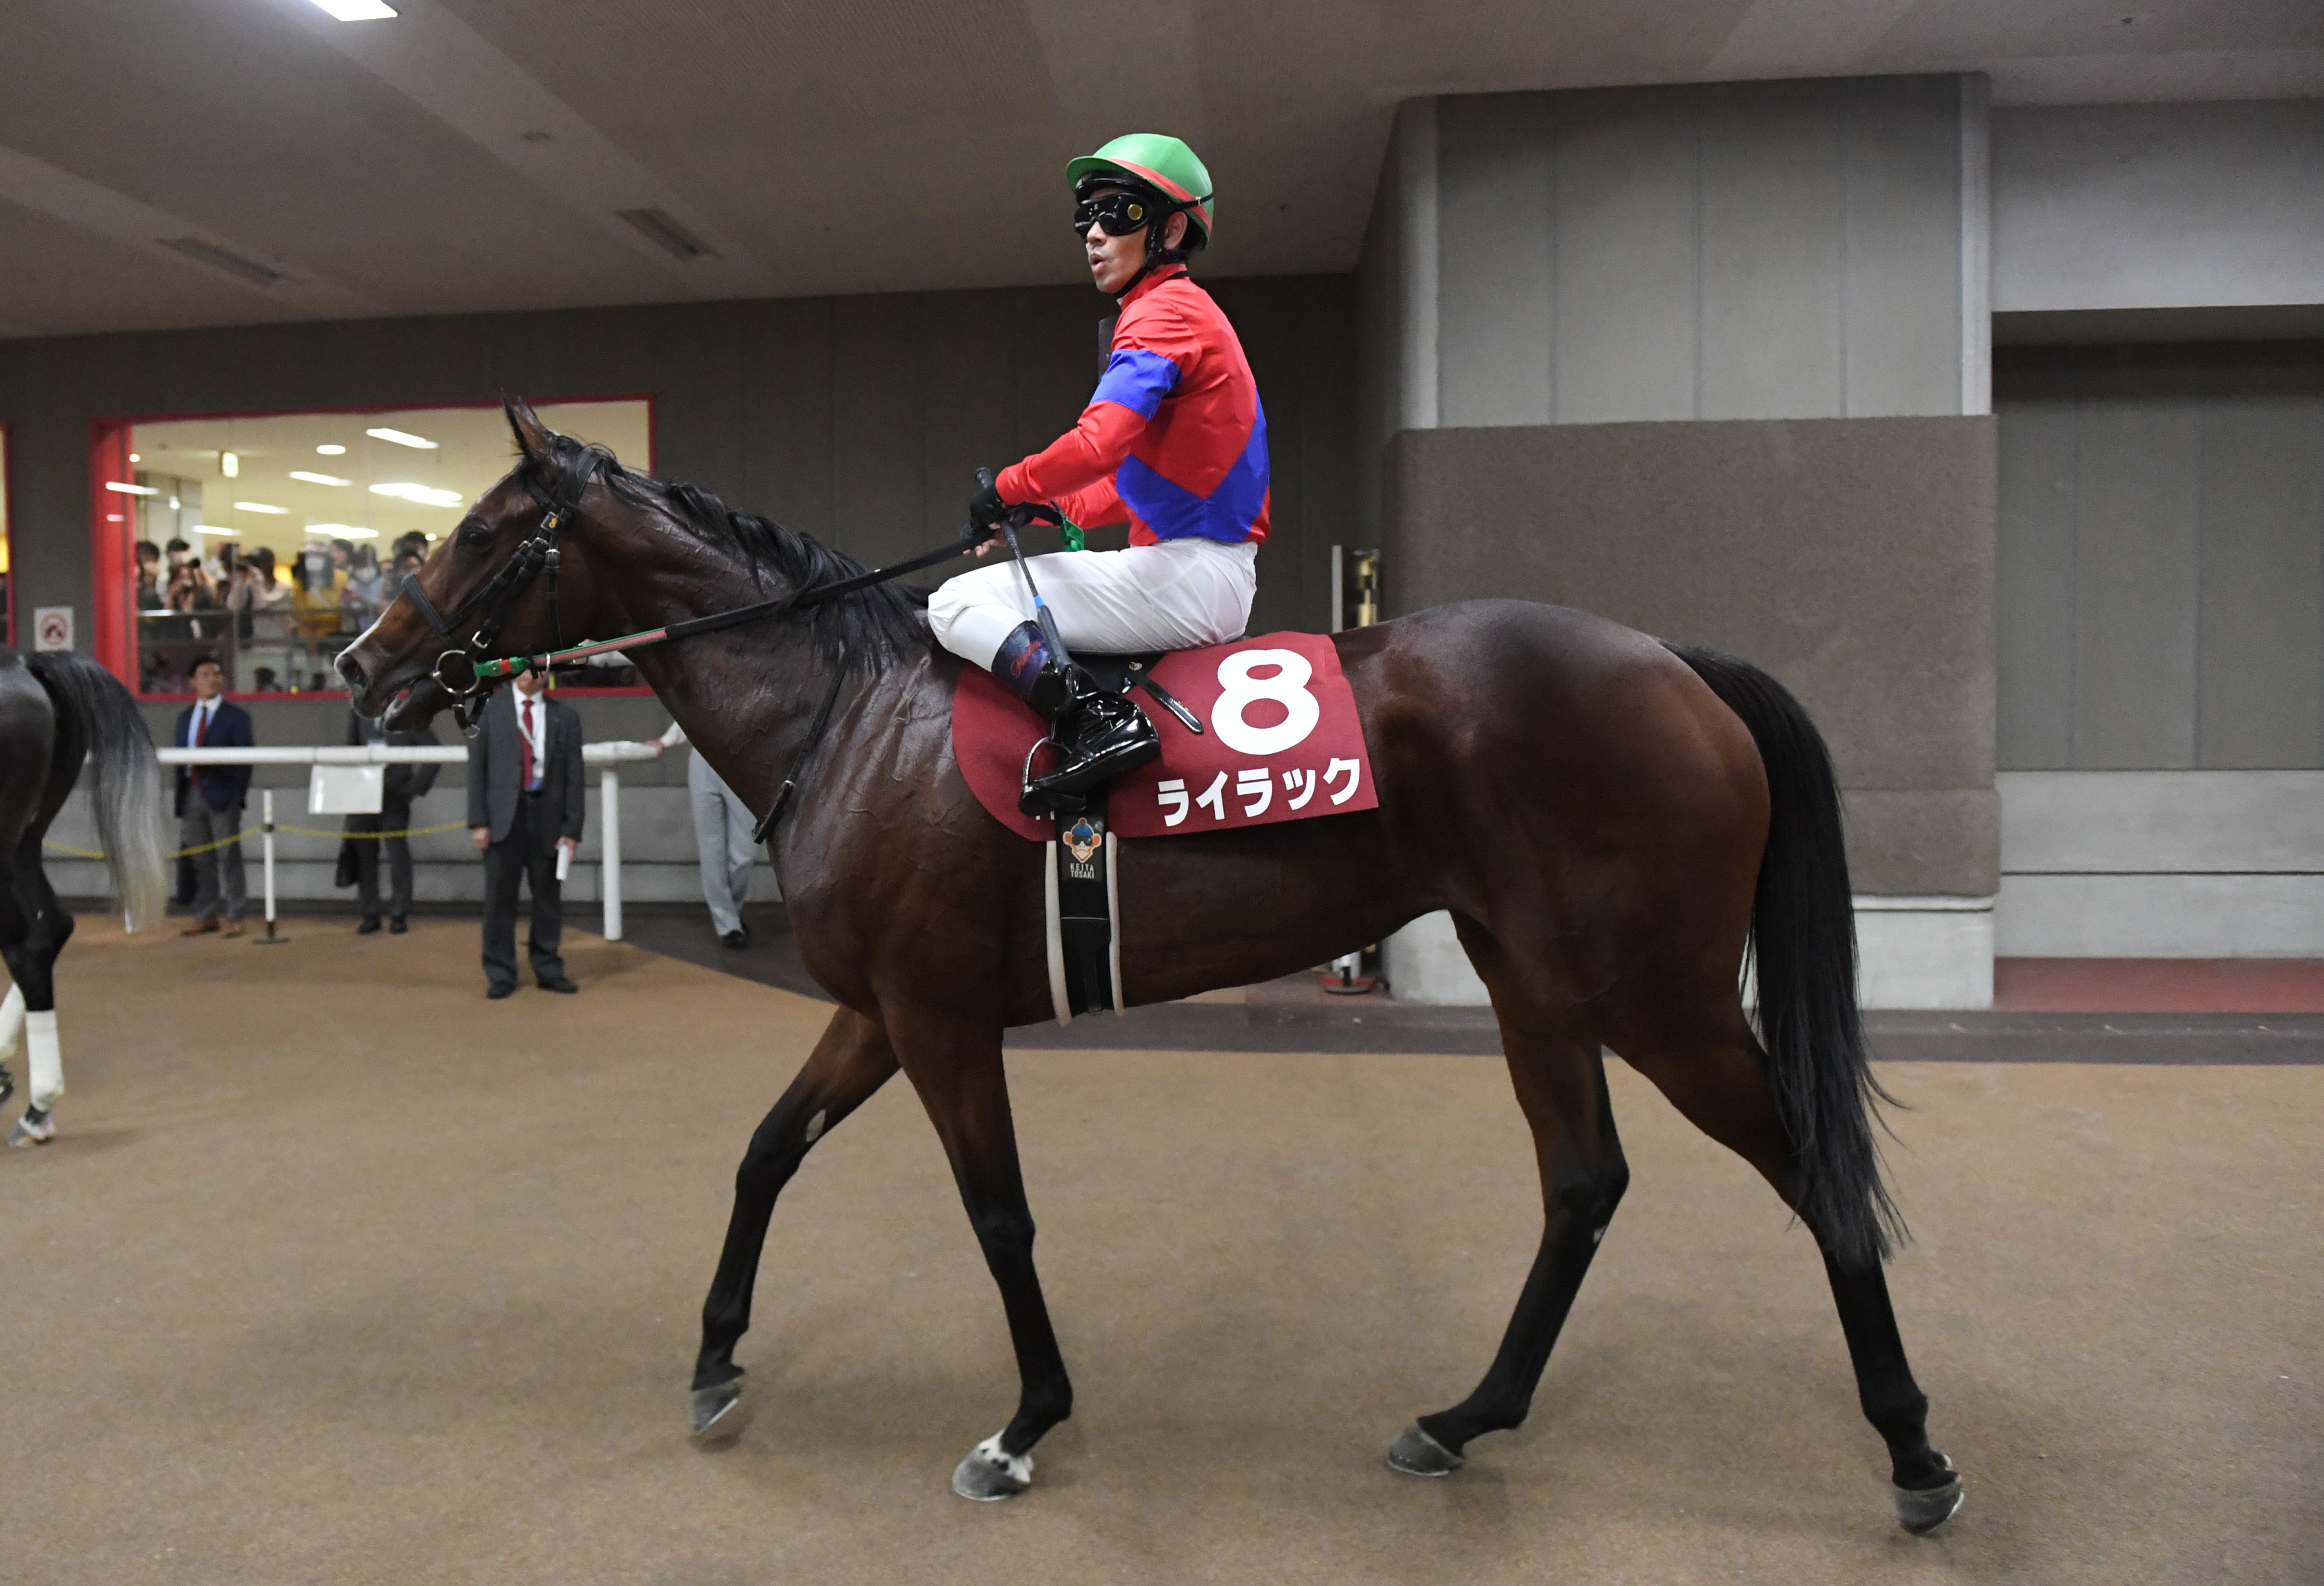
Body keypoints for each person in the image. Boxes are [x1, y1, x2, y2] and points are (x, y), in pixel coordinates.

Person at [928, 133, 1264, 809]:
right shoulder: (1180, 312)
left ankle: (1096, 721)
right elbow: (1131, 485)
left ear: (1172, 227)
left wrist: (1006, 487)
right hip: (1202, 570)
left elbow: (1099, 441)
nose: (1095, 234)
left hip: (1188, 575)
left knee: (955, 603)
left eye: (1120, 215)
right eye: (1087, 218)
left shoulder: (1163, 314)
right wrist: (1051, 508)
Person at [467, 668, 583, 999]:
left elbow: (575, 779)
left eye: (538, 668)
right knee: (498, 900)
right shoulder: (488, 711)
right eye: (522, 666)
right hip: (504, 817)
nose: (529, 674)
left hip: (547, 818)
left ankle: (548, 966)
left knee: (548, 900)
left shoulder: (565, 717)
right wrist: (479, 821)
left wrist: (572, 830)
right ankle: (500, 971)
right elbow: (476, 769)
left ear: (548, 675)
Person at [648, 720, 759, 949]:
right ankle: (728, 925)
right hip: (704, 757)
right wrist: (666, 741)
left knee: (747, 850)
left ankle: (731, 914)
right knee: (711, 849)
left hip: (742, 756)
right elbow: (691, 710)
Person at [173, 656, 253, 937]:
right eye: (205, 674)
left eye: (217, 674)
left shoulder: (237, 718)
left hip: (222, 795)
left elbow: (246, 762)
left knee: (229, 856)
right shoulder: (185, 718)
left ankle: (235, 914)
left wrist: (236, 795)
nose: (213, 679)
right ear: (193, 682)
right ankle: (206, 914)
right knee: (200, 858)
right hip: (192, 795)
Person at [345, 707, 441, 934]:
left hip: (396, 796)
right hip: (363, 794)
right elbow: (350, 750)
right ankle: (370, 913)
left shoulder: (410, 711)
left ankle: (399, 913)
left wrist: (414, 789)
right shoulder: (359, 711)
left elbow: (435, 753)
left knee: (397, 855)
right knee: (365, 855)